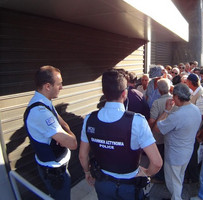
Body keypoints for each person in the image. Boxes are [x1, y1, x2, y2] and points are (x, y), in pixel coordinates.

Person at [79, 70, 162, 200]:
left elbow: (82, 155)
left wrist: (87, 172)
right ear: (125, 93)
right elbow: (157, 163)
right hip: (129, 186)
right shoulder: (137, 121)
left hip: (103, 183)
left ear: (104, 92)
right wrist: (146, 173)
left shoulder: (89, 119)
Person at [24, 65, 77, 200]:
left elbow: (63, 124)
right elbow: (72, 143)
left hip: (59, 169)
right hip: (55, 174)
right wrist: (70, 136)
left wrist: (64, 132)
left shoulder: (45, 102)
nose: (61, 87)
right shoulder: (41, 112)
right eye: (59, 84)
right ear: (47, 86)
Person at [153, 83, 202, 200]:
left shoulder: (177, 115)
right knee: (179, 177)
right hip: (187, 150)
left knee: (173, 181)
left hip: (174, 154)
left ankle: (177, 198)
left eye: (174, 96)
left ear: (178, 97)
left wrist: (166, 110)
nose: (172, 98)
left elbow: (157, 128)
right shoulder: (196, 110)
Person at [148, 78, 173, 183]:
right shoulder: (174, 101)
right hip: (171, 135)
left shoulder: (157, 103)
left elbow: (152, 120)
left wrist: (148, 130)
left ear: (158, 90)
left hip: (158, 136)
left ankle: (159, 177)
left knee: (159, 156)